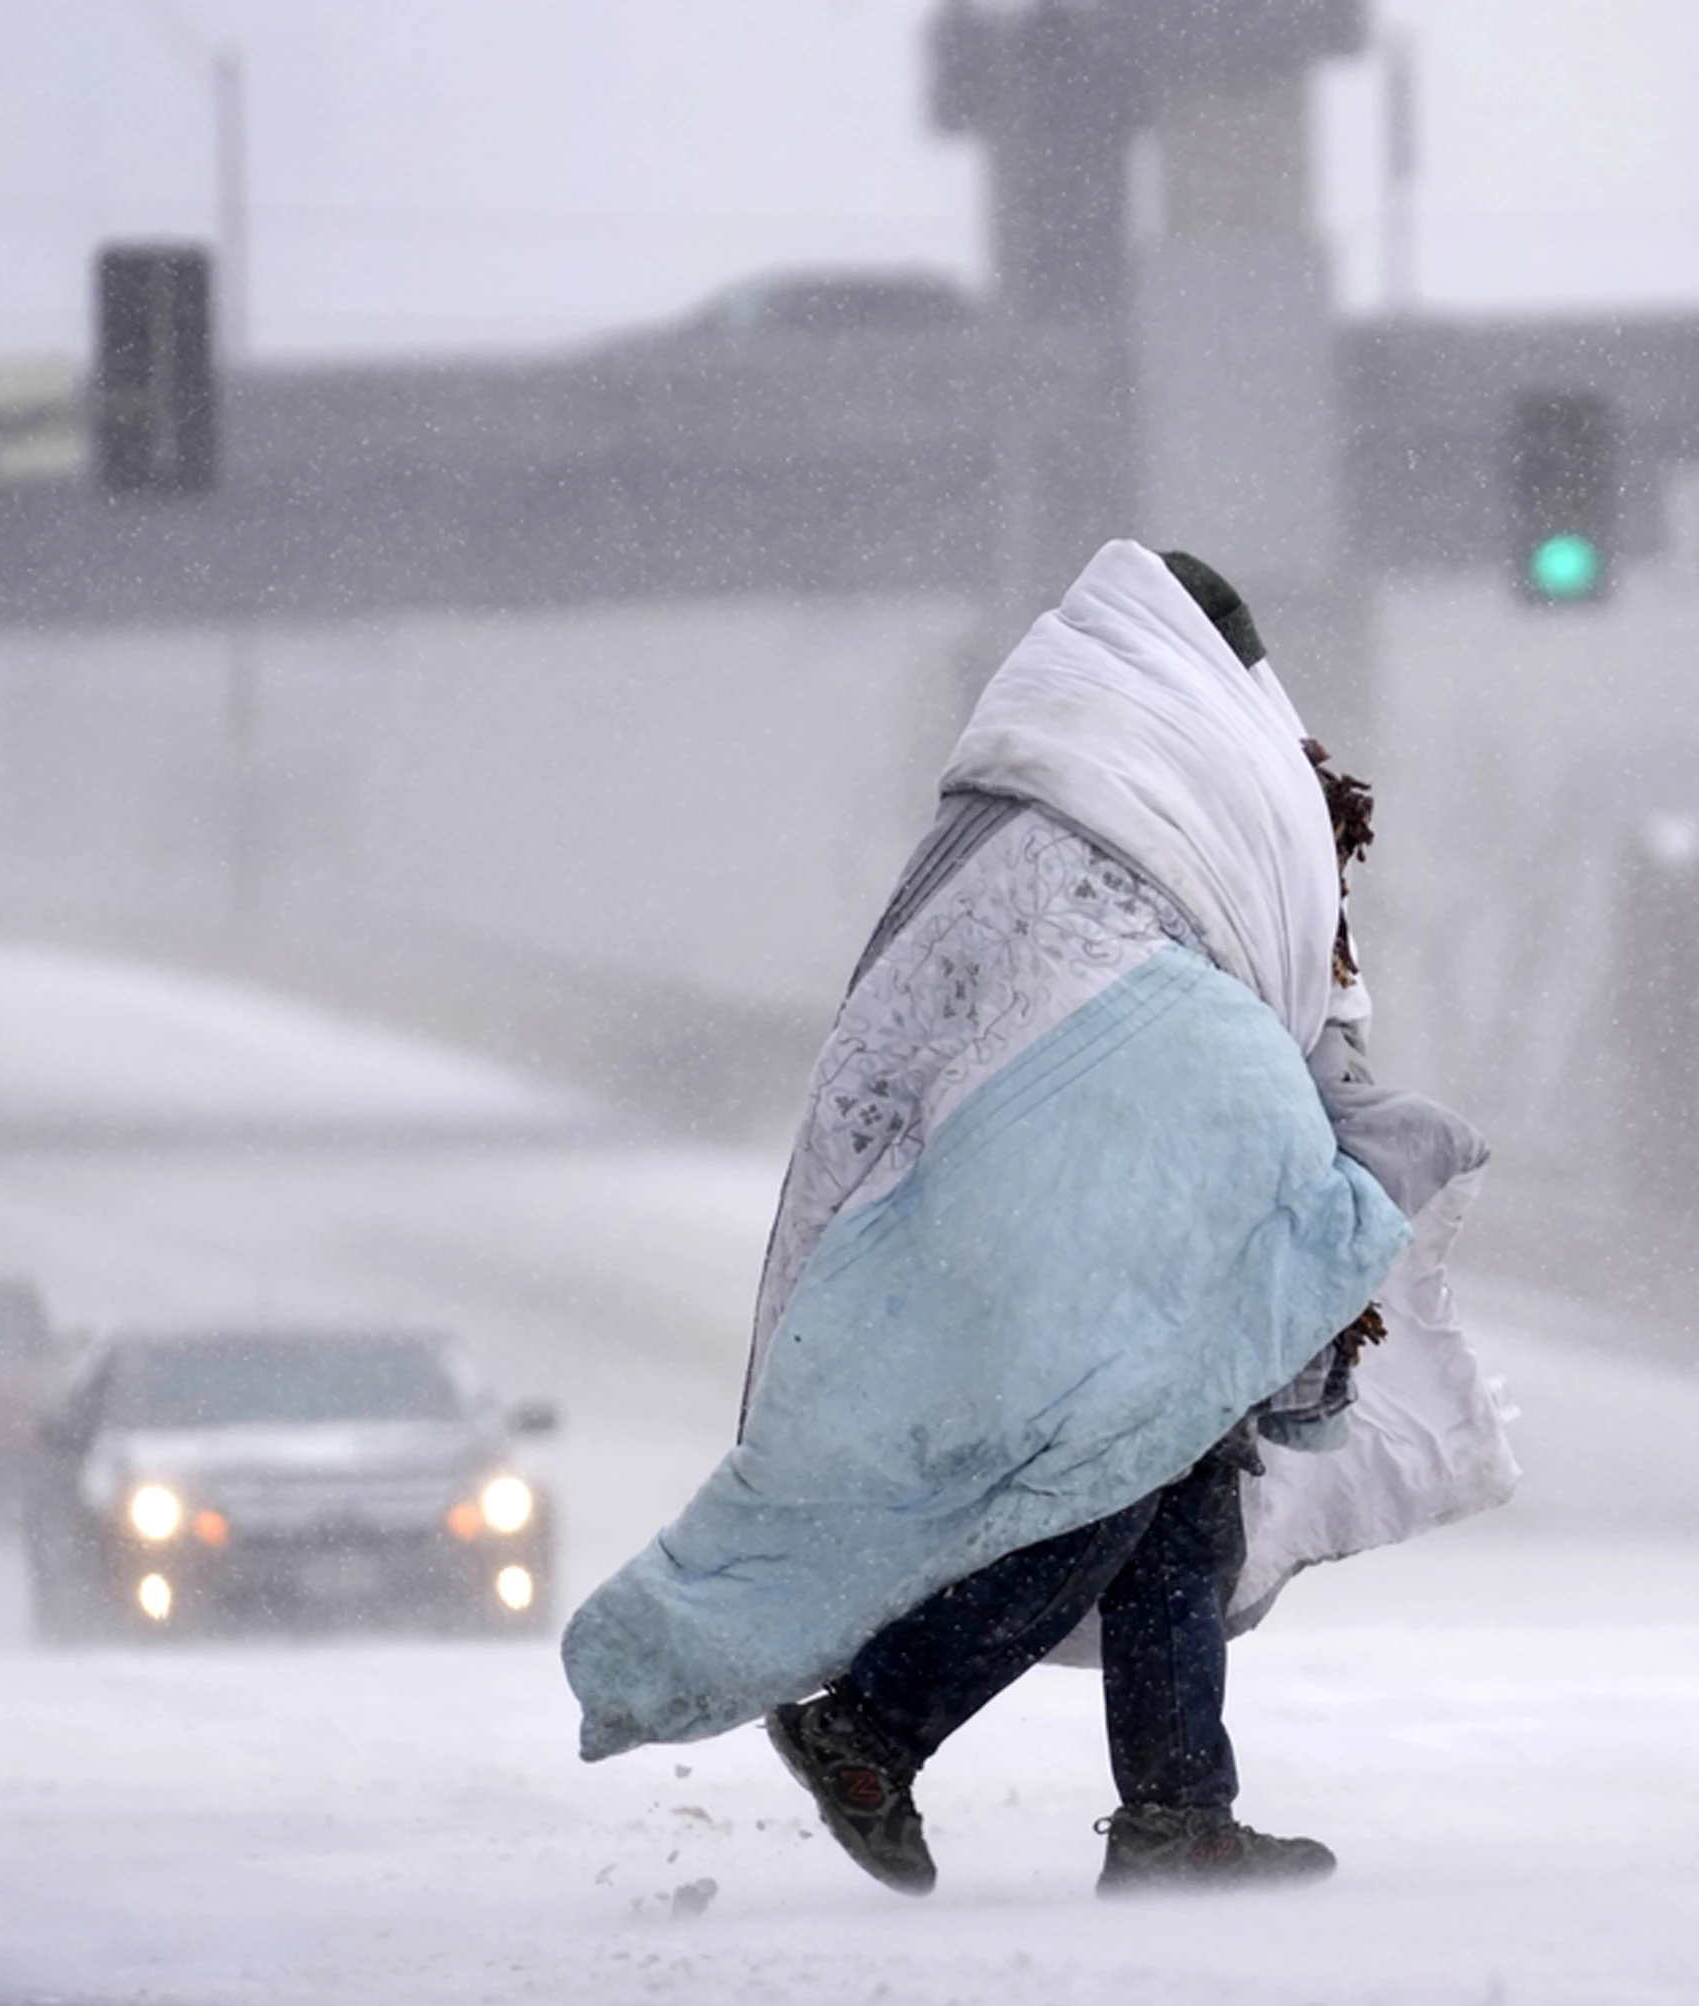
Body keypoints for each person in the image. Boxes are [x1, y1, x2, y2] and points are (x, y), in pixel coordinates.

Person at [562, 541, 1512, 1896]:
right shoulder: (1212, 779)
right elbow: (1273, 989)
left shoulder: (1036, 785)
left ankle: (1177, 1810)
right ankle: (876, 1722)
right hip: (1094, 1164)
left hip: (1003, 1165)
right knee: (1126, 1455)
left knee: (1177, 1462)